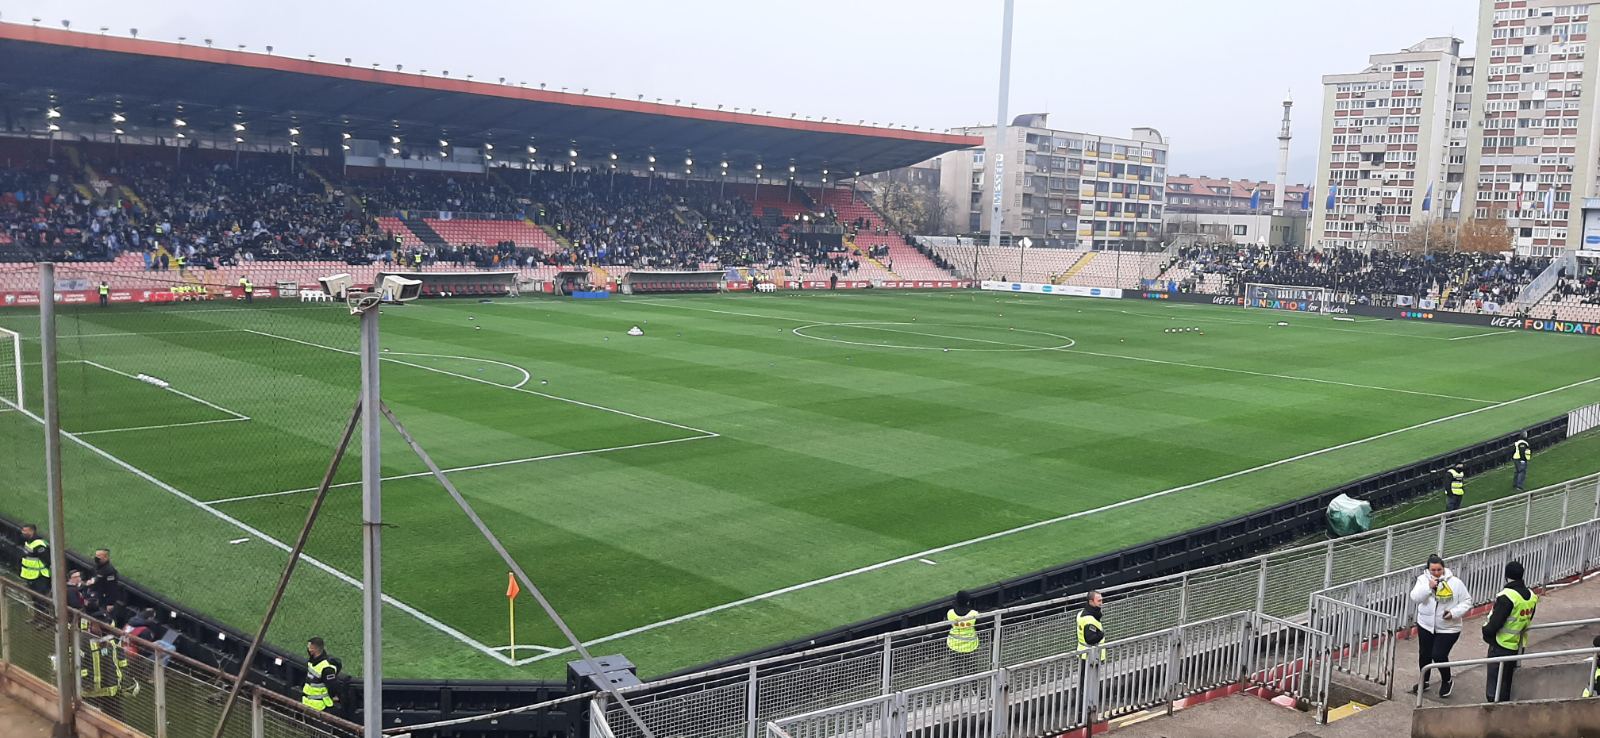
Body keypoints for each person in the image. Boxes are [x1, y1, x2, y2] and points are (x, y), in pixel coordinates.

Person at [1408, 555, 1471, 698]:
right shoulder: (1422, 580)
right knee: (1424, 654)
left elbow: (1467, 601)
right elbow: (1415, 597)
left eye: (1439, 570)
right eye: (1433, 570)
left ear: (1443, 568)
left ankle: (1446, 680)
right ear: (1428, 570)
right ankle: (1424, 680)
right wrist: (1428, 587)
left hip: (1449, 628)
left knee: (1438, 655)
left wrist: (1453, 613)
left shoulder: (1455, 582)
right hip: (1426, 625)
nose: (1436, 573)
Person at [1483, 560, 1538, 702]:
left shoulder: (1507, 596)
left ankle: (1493, 708)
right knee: (1508, 681)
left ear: (1506, 576)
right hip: (1519, 644)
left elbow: (1494, 624)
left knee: (1495, 684)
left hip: (1501, 644)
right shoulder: (1531, 596)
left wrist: (1486, 632)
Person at [302, 637, 342, 712]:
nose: (308, 649)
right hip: (307, 703)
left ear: (315, 649)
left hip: (320, 707)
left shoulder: (326, 668)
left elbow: (332, 686)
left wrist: (334, 696)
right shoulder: (312, 661)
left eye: (310, 647)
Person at [18, 524, 50, 596]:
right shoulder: (28, 541)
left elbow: (47, 559)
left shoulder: (39, 545)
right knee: (33, 595)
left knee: (40, 597)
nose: (22, 532)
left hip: (39, 576)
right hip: (31, 575)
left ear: (32, 531)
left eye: (25, 531)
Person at [946, 590, 980, 655]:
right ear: (968, 602)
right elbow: (980, 626)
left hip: (953, 645)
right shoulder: (974, 614)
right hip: (970, 646)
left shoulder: (950, 613)